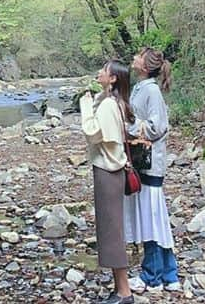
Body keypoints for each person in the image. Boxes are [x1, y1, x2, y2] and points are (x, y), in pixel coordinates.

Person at [80, 61, 136, 304]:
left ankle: (124, 292)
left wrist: (84, 105)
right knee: (111, 229)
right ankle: (119, 289)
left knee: (112, 231)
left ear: (112, 78)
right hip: (112, 171)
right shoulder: (112, 102)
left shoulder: (108, 106)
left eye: (104, 70)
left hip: (108, 171)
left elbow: (93, 133)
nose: (99, 72)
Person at [125, 47, 180, 293]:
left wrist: (130, 122)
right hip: (144, 163)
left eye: (138, 56)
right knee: (154, 217)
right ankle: (169, 274)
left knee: (150, 216)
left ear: (145, 66)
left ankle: (152, 276)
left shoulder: (152, 91)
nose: (134, 57)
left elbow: (158, 127)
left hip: (150, 163)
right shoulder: (143, 87)